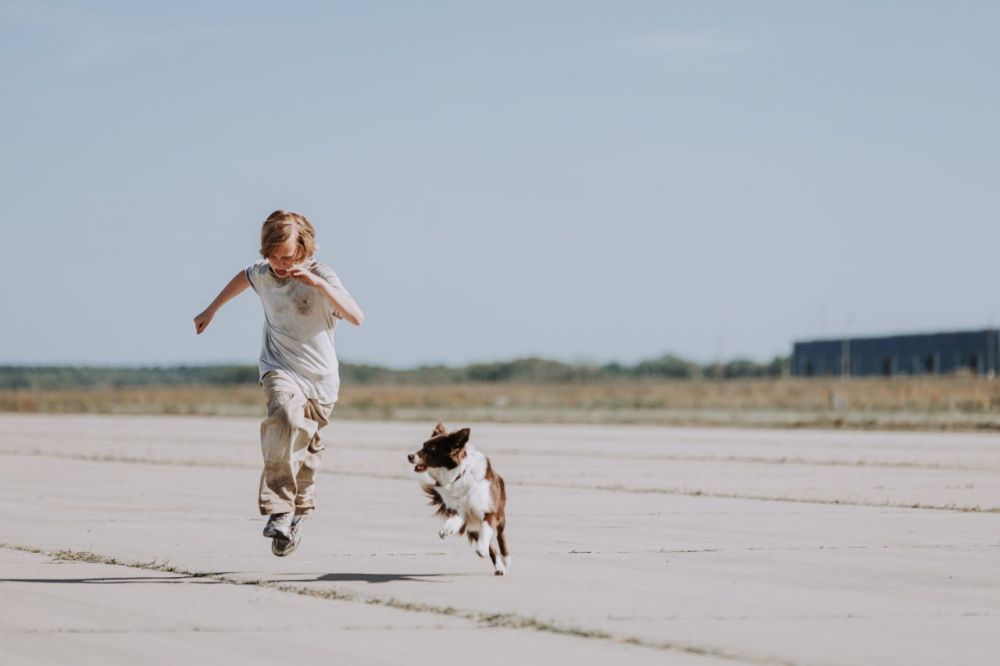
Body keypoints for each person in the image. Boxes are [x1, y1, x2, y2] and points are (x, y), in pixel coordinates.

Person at [193, 210, 364, 556]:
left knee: (307, 454)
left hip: (321, 382)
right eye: (271, 256)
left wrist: (319, 286)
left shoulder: (322, 275)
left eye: (285, 257)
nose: (278, 264)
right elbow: (244, 277)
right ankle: (279, 508)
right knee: (284, 419)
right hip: (279, 368)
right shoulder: (264, 274)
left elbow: (356, 316)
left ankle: (297, 514)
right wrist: (211, 309)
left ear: (305, 249)